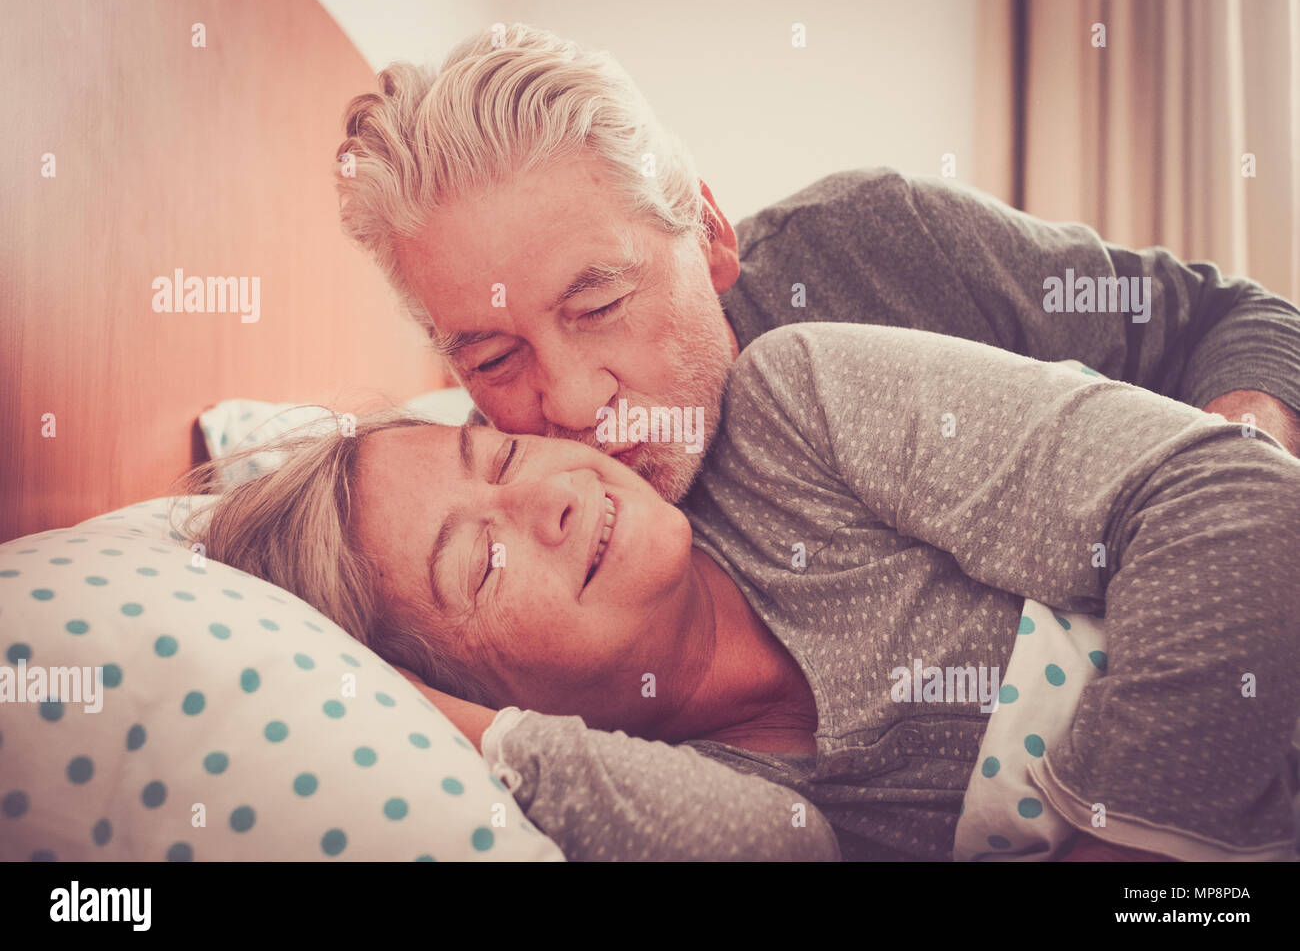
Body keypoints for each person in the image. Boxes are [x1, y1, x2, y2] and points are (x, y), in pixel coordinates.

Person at [184, 322, 1300, 862]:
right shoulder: (717, 790)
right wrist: (421, 707)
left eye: (505, 459)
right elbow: (779, 845)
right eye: (477, 563)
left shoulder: (792, 418)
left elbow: (1237, 497)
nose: (551, 501)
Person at [335, 23, 1300, 512]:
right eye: (494, 358)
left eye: (599, 304)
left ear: (709, 234)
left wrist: (1236, 486)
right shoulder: (495, 508)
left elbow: (1238, 319)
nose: (577, 404)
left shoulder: (879, 241)